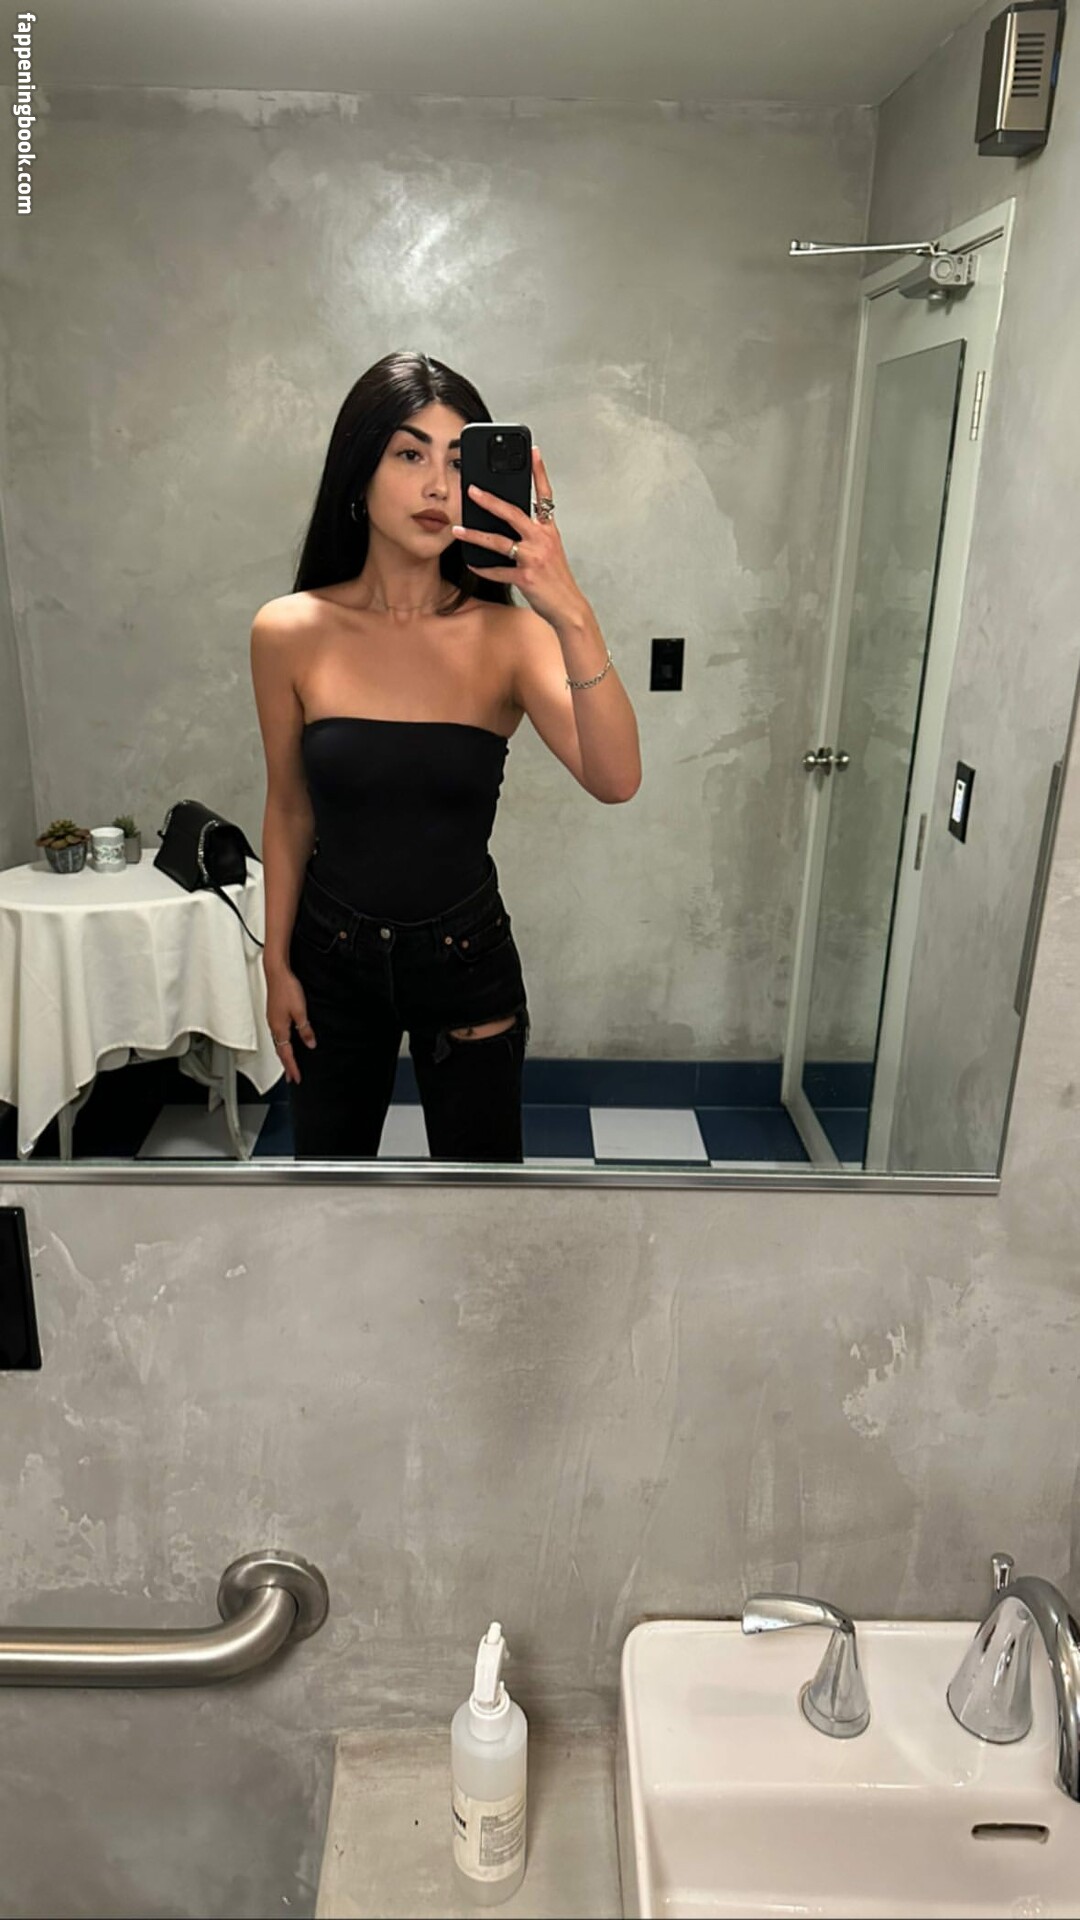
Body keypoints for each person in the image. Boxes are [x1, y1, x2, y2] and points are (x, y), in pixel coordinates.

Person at [250, 349, 641, 1162]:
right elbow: (288, 808)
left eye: (460, 462)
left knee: (481, 1206)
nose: (437, 485)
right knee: (329, 1200)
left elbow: (616, 779)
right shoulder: (288, 631)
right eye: (409, 454)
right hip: (328, 954)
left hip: (465, 957)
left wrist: (569, 609)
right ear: (358, 472)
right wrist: (275, 964)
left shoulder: (512, 638)